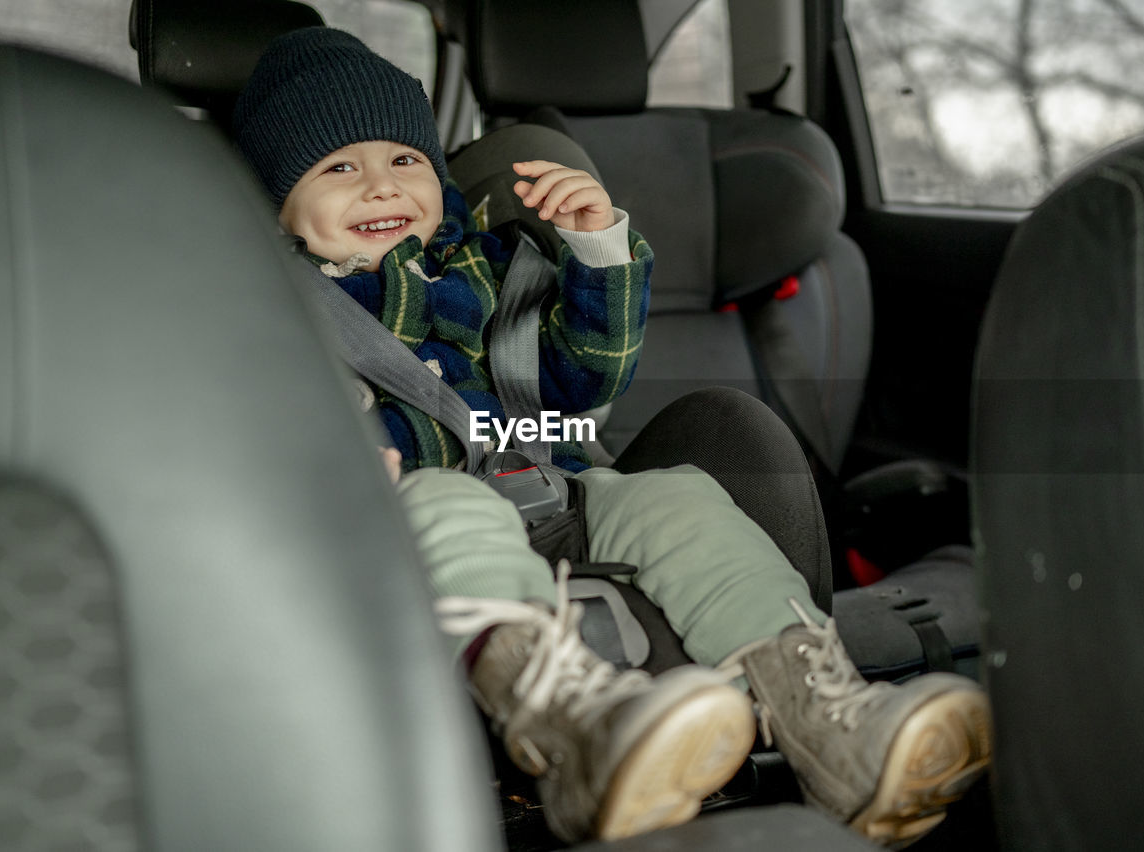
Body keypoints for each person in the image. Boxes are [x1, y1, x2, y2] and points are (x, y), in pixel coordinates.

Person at [232, 27, 990, 848]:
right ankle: (569, 725)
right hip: (398, 513)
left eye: (404, 161)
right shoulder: (269, 307)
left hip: (549, 486)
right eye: (340, 168)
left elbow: (579, 383)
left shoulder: (481, 268)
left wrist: (596, 249)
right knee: (449, 497)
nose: (381, 185)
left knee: (675, 495)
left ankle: (827, 722)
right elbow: (227, 423)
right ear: (279, 203)